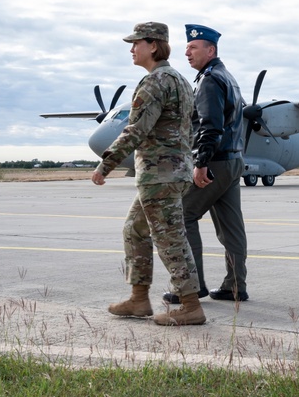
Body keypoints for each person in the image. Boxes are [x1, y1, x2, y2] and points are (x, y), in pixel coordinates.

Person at [91, 21, 206, 326]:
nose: (132, 49)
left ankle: (191, 305)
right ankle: (139, 299)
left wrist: (106, 164)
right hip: (172, 172)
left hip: (160, 175)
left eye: (136, 43)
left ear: (152, 45)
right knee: (134, 229)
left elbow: (136, 129)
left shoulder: (155, 82)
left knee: (170, 239)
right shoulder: (181, 80)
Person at [162, 24, 250, 304]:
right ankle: (235, 286)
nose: (186, 52)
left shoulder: (210, 80)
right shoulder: (228, 77)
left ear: (210, 50)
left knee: (183, 216)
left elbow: (210, 127)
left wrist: (201, 162)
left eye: (193, 47)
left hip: (215, 162)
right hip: (234, 161)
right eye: (187, 47)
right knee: (232, 228)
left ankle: (190, 286)